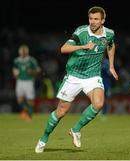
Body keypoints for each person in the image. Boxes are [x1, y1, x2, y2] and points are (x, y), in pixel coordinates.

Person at [35, 6, 118, 153]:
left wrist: (111, 66)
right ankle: (43, 138)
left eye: (96, 19)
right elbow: (63, 49)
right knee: (61, 112)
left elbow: (110, 45)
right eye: (91, 18)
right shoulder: (81, 32)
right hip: (74, 76)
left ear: (103, 20)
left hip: (93, 75)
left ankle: (76, 130)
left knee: (98, 104)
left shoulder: (109, 33)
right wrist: (84, 46)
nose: (92, 22)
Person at [12, 44, 41, 122]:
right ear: (20, 52)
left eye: (24, 52)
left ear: (27, 52)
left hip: (29, 81)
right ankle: (24, 111)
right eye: (22, 52)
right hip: (20, 81)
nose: (23, 53)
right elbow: (14, 69)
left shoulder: (31, 60)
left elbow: (38, 70)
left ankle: (29, 117)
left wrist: (32, 71)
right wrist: (15, 73)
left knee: (30, 99)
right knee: (19, 99)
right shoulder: (16, 60)